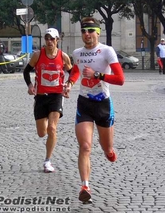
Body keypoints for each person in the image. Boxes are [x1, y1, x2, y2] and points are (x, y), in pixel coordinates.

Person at [64, 17, 125, 203]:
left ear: (98, 33)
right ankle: (85, 186)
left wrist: (97, 74)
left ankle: (109, 151)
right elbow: (76, 70)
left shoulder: (107, 51)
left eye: (91, 31)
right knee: (85, 146)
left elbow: (120, 79)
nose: (87, 34)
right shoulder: (78, 53)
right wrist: (70, 83)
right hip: (84, 103)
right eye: (84, 31)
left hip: (103, 104)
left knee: (106, 149)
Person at [23, 28, 73, 173]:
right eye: (47, 39)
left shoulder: (63, 57)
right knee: (41, 133)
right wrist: (30, 85)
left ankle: (47, 161)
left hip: (56, 96)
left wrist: (68, 85)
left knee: (52, 128)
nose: (49, 41)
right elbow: (26, 71)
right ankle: (42, 118)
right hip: (40, 96)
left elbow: (73, 73)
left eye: (52, 39)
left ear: (58, 40)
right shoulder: (37, 55)